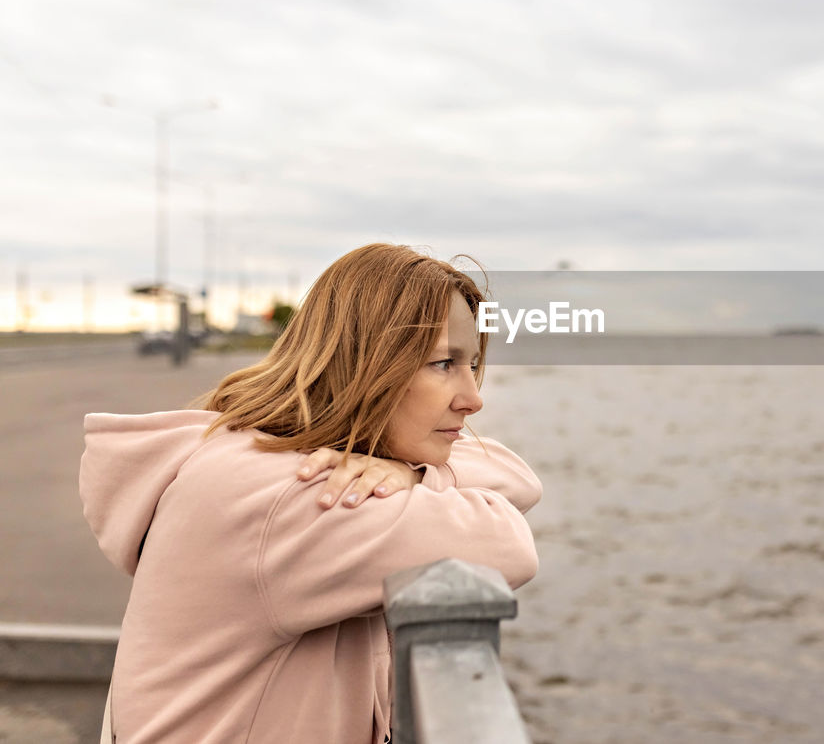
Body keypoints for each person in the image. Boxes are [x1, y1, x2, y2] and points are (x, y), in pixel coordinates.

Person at [79, 243, 541, 744]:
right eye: (442, 363)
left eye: (471, 365)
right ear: (365, 362)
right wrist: (420, 475)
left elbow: (514, 474)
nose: (473, 398)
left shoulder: (248, 456)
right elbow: (508, 544)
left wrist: (412, 474)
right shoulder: (294, 498)